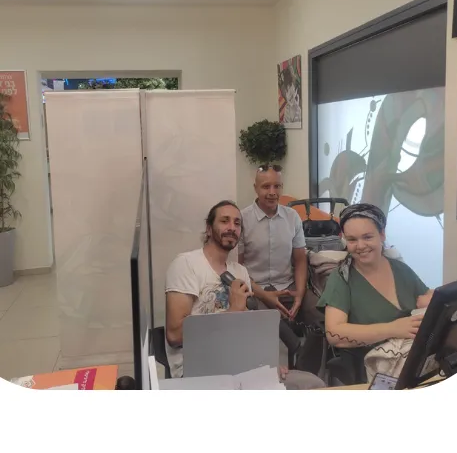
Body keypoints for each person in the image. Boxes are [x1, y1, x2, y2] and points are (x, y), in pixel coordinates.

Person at [165, 199, 325, 390]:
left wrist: (267, 364)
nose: (232, 228)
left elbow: (248, 335)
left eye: (237, 223)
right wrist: (233, 312)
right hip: (200, 371)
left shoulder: (240, 272)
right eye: (224, 221)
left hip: (240, 367)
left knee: (313, 384)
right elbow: (175, 335)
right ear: (208, 229)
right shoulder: (186, 264)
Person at [239, 165, 325, 374]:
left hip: (288, 286)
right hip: (256, 289)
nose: (272, 192)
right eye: (266, 186)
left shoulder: (292, 217)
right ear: (255, 188)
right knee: (263, 317)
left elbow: (300, 260)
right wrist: (265, 295)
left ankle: (310, 372)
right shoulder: (242, 219)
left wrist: (300, 295)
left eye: (277, 186)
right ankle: (274, 372)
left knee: (321, 314)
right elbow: (238, 267)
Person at [317, 203, 433, 351]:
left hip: (412, 353)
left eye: (367, 237)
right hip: (370, 360)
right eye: (352, 240)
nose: (360, 246)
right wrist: (392, 329)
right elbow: (334, 335)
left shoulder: (400, 269)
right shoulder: (341, 279)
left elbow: (427, 297)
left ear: (382, 234)